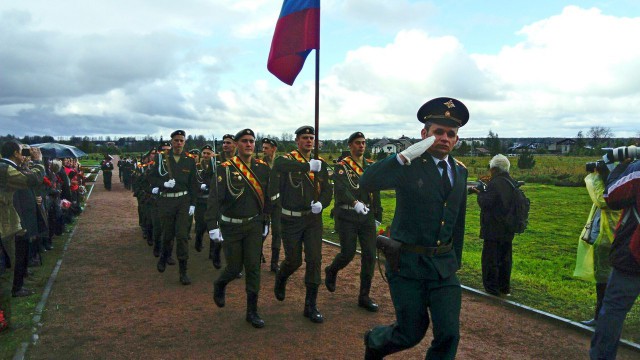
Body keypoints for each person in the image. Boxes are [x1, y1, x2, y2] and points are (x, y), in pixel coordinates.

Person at [360, 97, 469, 359]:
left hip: (443, 266)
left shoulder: (460, 171)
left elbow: (458, 219)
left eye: (450, 134)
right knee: (410, 332)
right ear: (424, 135)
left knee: (449, 334)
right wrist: (401, 157)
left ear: (456, 140)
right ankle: (375, 342)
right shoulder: (408, 166)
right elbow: (368, 181)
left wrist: (456, 260)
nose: (444, 138)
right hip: (408, 264)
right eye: (438, 132)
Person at [206, 129, 271, 328]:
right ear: (236, 144)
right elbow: (214, 199)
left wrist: (266, 221)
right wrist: (212, 226)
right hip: (231, 226)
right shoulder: (225, 168)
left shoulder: (262, 168)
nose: (249, 144)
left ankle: (252, 311)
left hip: (253, 225)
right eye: (244, 141)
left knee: (253, 267)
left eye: (252, 141)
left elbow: (266, 197)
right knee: (234, 268)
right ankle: (220, 283)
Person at [271, 125, 332, 324]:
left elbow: (328, 190)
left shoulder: (320, 163)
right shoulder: (287, 160)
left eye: (311, 138)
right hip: (291, 219)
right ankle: (282, 276)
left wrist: (322, 203)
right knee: (294, 260)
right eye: (304, 137)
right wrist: (307, 167)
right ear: (297, 141)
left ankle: (310, 305)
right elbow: (278, 165)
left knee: (314, 259)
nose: (308, 141)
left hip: (312, 220)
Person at [325, 131, 382, 312]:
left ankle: (364, 296)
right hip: (347, 216)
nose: (361, 146)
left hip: (366, 217)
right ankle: (332, 270)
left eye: (364, 143)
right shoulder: (341, 167)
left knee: (369, 255)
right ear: (350, 146)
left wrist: (377, 216)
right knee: (348, 253)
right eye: (357, 143)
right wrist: (354, 202)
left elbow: (376, 192)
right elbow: (341, 189)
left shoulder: (370, 167)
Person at [590, 158, 640, 359]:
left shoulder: (637, 170)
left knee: (613, 310)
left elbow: (611, 196)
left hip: (634, 254)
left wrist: (620, 166)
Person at [0, 140, 45, 332]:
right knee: (5, 274)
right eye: (21, 151)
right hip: (4, 227)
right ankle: (4, 320)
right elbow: (32, 180)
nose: (23, 154)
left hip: (7, 224)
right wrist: (38, 161)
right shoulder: (4, 169)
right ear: (15, 153)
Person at [148, 130, 198, 285]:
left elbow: (193, 184)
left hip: (183, 201)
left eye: (181, 140)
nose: (178, 143)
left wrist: (193, 204)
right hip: (166, 201)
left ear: (184, 142)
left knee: (182, 236)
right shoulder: (161, 158)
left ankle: (183, 272)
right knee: (167, 234)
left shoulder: (189, 160)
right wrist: (162, 184)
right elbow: (151, 177)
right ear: (171, 142)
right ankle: (164, 256)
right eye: (176, 140)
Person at [573, 162, 620, 327]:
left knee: (606, 281)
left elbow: (602, 201)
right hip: (604, 239)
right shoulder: (614, 186)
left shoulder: (615, 191)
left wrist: (597, 177)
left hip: (610, 240)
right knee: (603, 280)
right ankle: (602, 316)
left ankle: (603, 318)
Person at [471, 154, 516, 296]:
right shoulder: (511, 182)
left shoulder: (495, 183)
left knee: (491, 259)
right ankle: (504, 287)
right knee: (505, 258)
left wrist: (480, 193)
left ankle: (492, 289)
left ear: (494, 169)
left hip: (493, 227)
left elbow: (486, 203)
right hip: (508, 227)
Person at [261, 137, 281, 272]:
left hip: (278, 203)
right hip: (263, 204)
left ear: (273, 149)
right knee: (262, 232)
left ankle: (274, 262)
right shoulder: (260, 164)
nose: (264, 150)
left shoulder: (280, 163)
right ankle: (257, 253)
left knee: (278, 232)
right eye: (263, 148)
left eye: (266, 148)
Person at [194, 145, 215, 255]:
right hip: (200, 200)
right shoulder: (197, 166)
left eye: (208, 153)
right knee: (200, 224)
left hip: (212, 201)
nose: (206, 155)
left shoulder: (216, 166)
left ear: (212, 154)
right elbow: (193, 181)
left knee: (212, 226)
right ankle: (198, 240)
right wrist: (199, 186)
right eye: (204, 153)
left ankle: (212, 251)